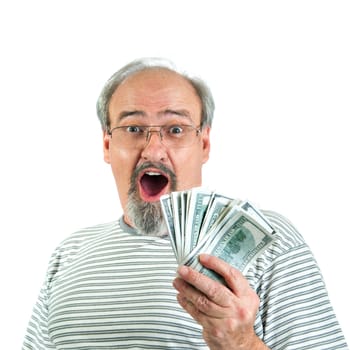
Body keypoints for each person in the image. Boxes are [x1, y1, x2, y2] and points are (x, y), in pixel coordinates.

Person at [23, 58, 348, 350]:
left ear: (203, 143)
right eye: (134, 128)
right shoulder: (70, 252)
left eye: (175, 129)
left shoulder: (269, 239)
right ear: (108, 145)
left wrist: (241, 343)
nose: (153, 150)